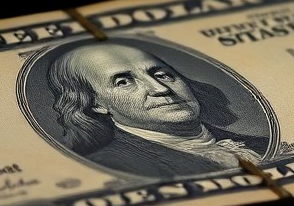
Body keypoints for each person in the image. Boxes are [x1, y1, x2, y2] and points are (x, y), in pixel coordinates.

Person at [45, 41, 270, 178]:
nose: (160, 88)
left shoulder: (261, 143)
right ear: (96, 104)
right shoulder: (113, 166)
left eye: (162, 75)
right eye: (124, 82)